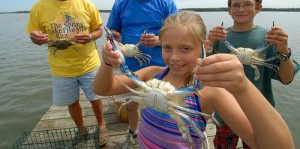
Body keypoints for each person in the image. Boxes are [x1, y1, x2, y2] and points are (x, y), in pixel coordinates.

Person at [94, 11, 295, 149]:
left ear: (203, 47)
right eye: (167, 47)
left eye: (185, 48)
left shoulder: (209, 92)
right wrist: (108, 63)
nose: (174, 57)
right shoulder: (150, 74)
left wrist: (243, 88)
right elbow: (104, 88)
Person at [26, 0, 108, 147]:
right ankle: (81, 130)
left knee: (95, 98)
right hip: (61, 69)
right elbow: (34, 34)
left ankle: (102, 125)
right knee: (72, 102)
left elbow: (99, 29)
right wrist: (36, 38)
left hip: (89, 63)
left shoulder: (86, 4)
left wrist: (89, 37)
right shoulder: (38, 8)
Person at [207, 0, 299, 149]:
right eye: (236, 5)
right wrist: (207, 45)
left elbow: (286, 79)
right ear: (229, 10)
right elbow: (203, 74)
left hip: (258, 113)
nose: (241, 9)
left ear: (258, 8)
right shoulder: (220, 38)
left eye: (247, 4)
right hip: (225, 113)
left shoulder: (269, 39)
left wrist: (284, 50)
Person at [106, 0, 178, 146]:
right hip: (131, 68)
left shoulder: (167, 4)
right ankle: (133, 131)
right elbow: (112, 30)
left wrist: (158, 40)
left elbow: (179, 36)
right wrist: (114, 37)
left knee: (164, 107)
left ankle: (163, 138)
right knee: (131, 104)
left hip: (161, 67)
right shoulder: (121, 3)